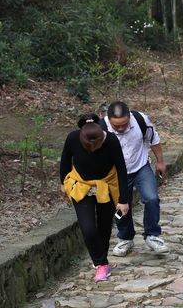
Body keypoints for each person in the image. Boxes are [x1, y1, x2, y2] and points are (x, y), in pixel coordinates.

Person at [60, 114, 129, 282]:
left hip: (106, 185)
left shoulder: (111, 140)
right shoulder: (73, 138)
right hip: (81, 186)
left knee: (104, 227)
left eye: (95, 145)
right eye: (87, 146)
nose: (92, 149)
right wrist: (63, 183)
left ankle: (101, 258)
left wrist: (123, 200)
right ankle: (101, 264)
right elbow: (65, 162)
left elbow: (121, 170)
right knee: (88, 228)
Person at [104, 101, 170, 255]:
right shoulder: (102, 127)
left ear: (130, 117)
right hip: (116, 174)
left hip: (140, 167)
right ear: (109, 120)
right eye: (116, 126)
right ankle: (125, 238)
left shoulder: (141, 120)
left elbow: (153, 140)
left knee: (152, 198)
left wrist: (160, 161)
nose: (121, 128)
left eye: (124, 124)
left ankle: (152, 235)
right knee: (121, 205)